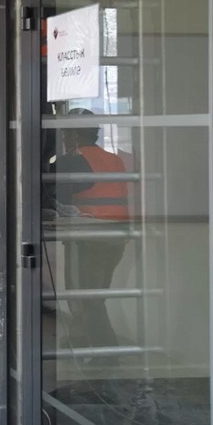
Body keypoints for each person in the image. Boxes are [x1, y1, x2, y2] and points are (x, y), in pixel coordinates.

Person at [51, 108, 129, 348]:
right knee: (93, 293)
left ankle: (107, 349)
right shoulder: (114, 159)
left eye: (65, 134)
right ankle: (80, 337)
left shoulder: (71, 161)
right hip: (117, 236)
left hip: (89, 236)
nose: (64, 138)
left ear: (74, 135)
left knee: (85, 295)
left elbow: (53, 195)